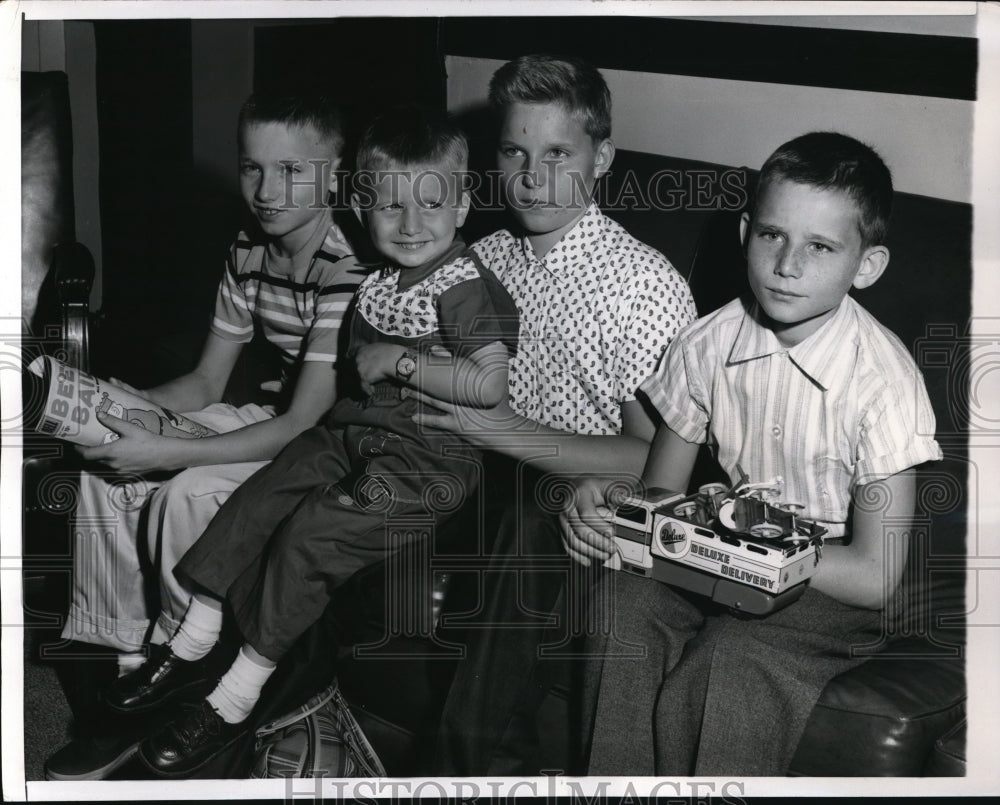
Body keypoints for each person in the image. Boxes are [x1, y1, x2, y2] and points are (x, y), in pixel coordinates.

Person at [107, 106, 519, 778]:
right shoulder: (380, 277)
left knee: (312, 531)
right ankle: (191, 638)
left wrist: (403, 362)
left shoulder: (464, 285)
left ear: (465, 203)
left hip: (426, 462)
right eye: (389, 205)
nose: (410, 223)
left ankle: (235, 696)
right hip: (356, 434)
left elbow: (490, 384)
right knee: (267, 486)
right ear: (363, 205)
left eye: (431, 202)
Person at [562, 132, 943, 776]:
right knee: (621, 608)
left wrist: (759, 552)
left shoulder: (884, 381)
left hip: (832, 577)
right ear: (746, 232)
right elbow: (659, 496)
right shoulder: (705, 343)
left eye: (820, 246)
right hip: (722, 548)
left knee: (727, 663)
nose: (788, 264)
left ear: (867, 265)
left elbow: (877, 576)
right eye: (772, 235)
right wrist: (612, 504)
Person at [44, 92, 363, 781]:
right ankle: (129, 672)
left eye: (292, 171)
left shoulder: (348, 266)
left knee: (182, 489)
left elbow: (303, 426)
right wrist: (130, 406)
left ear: (333, 173)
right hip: (265, 418)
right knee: (105, 467)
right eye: (253, 169)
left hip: (326, 448)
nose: (267, 192)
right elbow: (206, 384)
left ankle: (184, 674)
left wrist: (168, 449)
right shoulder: (249, 247)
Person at [413, 55, 697, 774]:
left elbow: (649, 457)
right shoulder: (484, 258)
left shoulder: (642, 286)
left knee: (534, 515)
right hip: (474, 483)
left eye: (558, 153)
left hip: (587, 513)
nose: (531, 176)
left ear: (601, 157)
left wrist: (499, 430)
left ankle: (462, 770)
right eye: (514, 151)